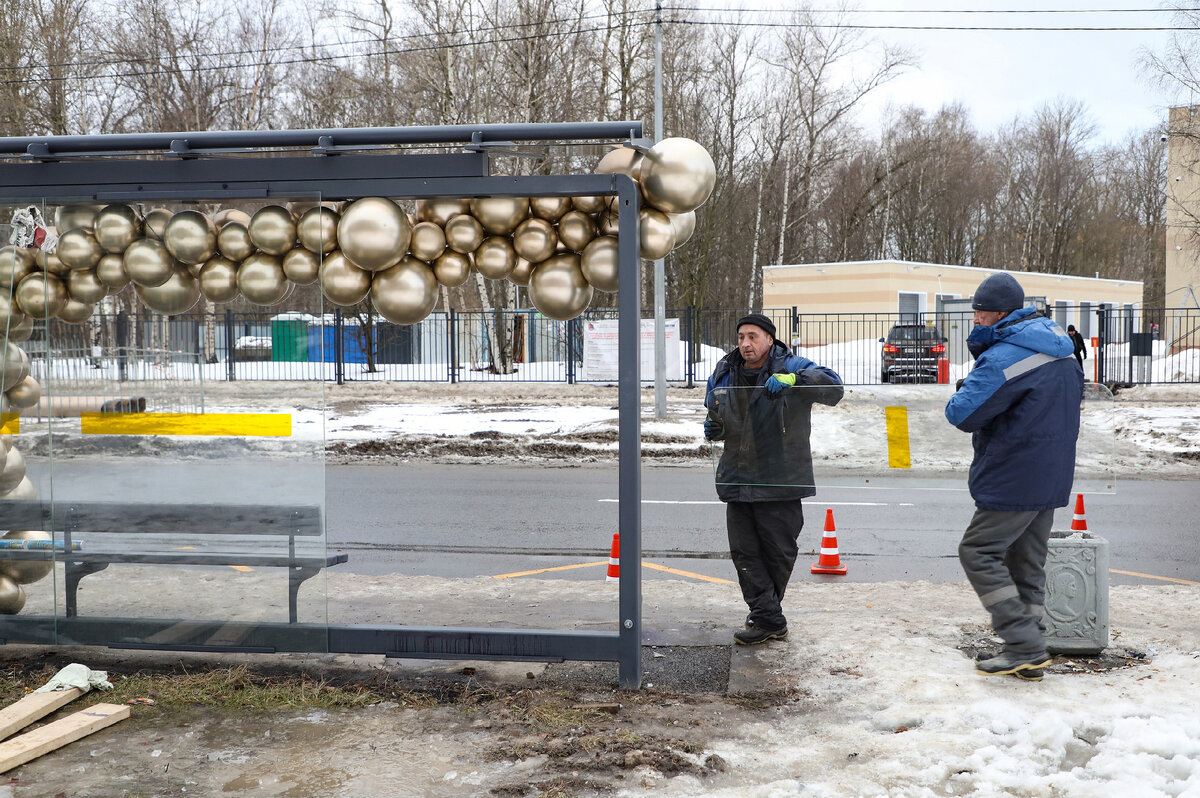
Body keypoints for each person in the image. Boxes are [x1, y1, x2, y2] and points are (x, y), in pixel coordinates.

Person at [945, 273, 1084, 680]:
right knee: (1026, 561)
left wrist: (967, 387)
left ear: (1000, 313)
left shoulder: (1005, 356)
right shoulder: (1059, 348)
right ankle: (1030, 650)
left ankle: (1022, 641)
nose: (975, 320)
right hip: (1052, 473)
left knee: (978, 551)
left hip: (1014, 473)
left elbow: (962, 414)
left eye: (979, 312)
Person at [703, 313, 843, 645]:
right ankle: (768, 618)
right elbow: (714, 408)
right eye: (740, 337)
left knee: (778, 552)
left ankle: (766, 616)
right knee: (744, 552)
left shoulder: (792, 364)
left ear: (769, 339)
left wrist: (796, 381)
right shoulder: (725, 370)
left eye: (752, 336)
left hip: (781, 476)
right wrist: (714, 426)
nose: (745, 344)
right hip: (737, 474)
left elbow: (834, 386)